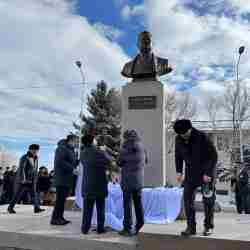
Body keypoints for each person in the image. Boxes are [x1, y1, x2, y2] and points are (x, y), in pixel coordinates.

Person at [173, 119, 218, 237]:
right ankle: (191, 227)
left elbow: (213, 155)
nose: (183, 136)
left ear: (190, 129)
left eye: (185, 134)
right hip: (190, 173)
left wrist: (208, 173)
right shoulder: (178, 139)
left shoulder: (202, 137)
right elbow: (178, 156)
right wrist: (178, 171)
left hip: (206, 173)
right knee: (187, 199)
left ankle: (208, 226)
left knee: (208, 201)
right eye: (181, 135)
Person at [81, 133, 113, 234]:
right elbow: (109, 161)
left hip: (87, 184)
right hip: (99, 184)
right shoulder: (98, 152)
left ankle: (85, 229)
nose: (96, 141)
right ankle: (100, 228)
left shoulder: (82, 153)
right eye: (94, 139)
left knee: (87, 209)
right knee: (100, 208)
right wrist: (104, 151)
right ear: (91, 141)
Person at [117, 130, 147, 236]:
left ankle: (127, 228)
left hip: (127, 181)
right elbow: (146, 161)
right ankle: (140, 226)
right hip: (139, 181)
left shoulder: (125, 148)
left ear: (126, 137)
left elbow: (119, 162)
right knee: (138, 204)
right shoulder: (142, 147)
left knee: (127, 205)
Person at [8, 144, 45, 214]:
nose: (36, 152)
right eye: (34, 150)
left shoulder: (36, 158)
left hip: (32, 180)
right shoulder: (24, 157)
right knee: (17, 195)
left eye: (37, 150)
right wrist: (23, 179)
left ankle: (36, 208)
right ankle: (10, 208)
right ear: (30, 150)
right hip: (24, 180)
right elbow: (22, 169)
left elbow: (35, 168)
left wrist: (35, 178)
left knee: (34, 194)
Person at [50, 135, 78, 226]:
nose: (76, 143)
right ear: (70, 140)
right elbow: (60, 161)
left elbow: (72, 161)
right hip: (61, 178)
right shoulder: (62, 148)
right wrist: (72, 169)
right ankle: (55, 219)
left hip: (66, 179)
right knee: (59, 200)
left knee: (62, 200)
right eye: (75, 141)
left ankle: (60, 217)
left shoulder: (70, 150)